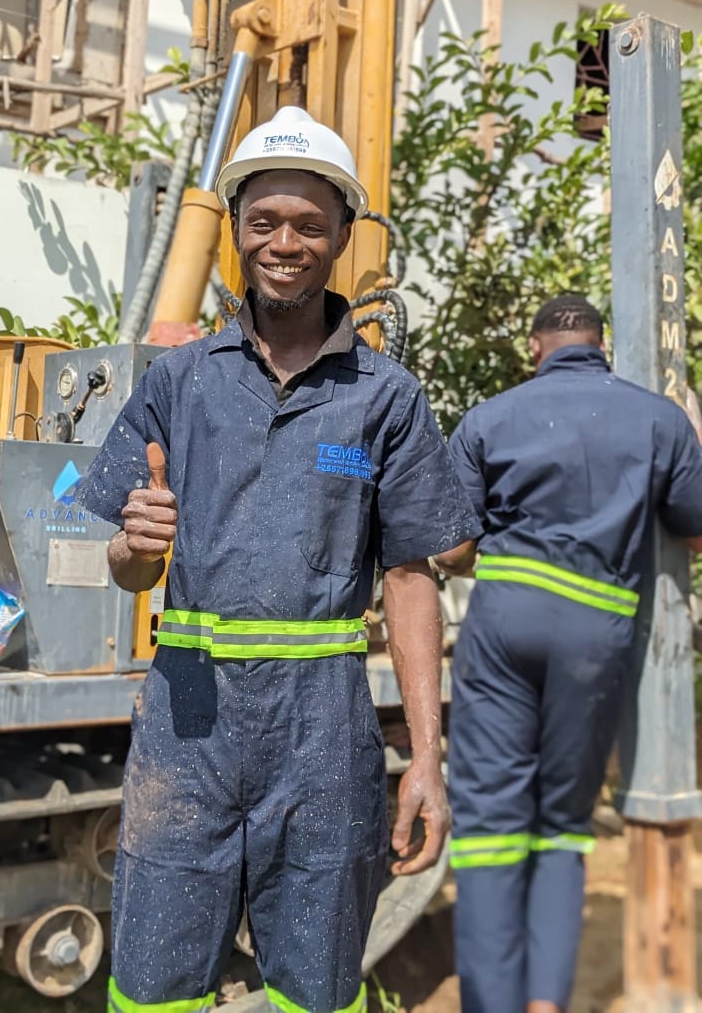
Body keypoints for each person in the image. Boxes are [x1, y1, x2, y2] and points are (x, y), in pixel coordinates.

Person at [78, 104, 481, 1013]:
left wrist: (425, 757)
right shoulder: (179, 381)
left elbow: (414, 575)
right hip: (187, 724)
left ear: (341, 236)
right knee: (152, 980)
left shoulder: (386, 397)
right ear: (236, 233)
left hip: (324, 735)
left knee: (319, 983)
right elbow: (128, 567)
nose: (284, 243)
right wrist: (134, 547)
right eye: (263, 222)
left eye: (308, 224)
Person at [435, 293, 702, 1013]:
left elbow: (452, 548)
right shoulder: (660, 419)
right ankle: (548, 1003)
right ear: (601, 343)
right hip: (598, 628)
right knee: (561, 825)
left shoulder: (490, 418)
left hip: (505, 625)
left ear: (535, 348)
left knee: (490, 825)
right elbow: (696, 532)